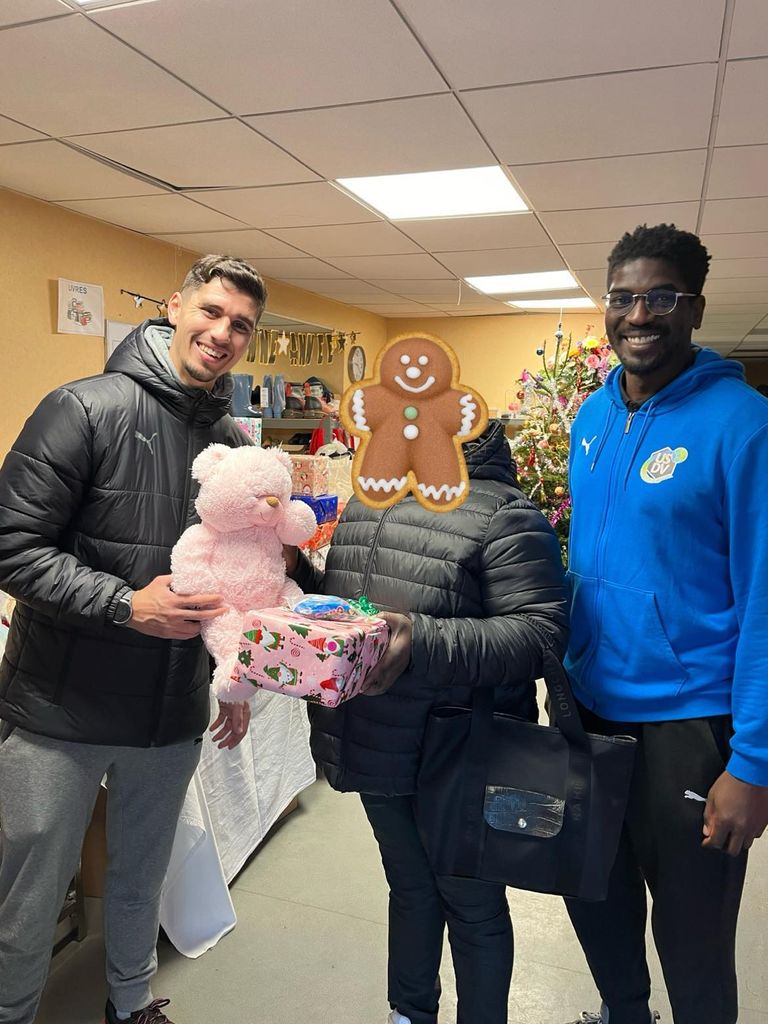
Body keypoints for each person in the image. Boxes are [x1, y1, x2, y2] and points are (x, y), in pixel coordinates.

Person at [0, 255, 267, 1024]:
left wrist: (236, 671)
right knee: (31, 895)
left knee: (141, 879)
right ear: (176, 306)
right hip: (60, 712)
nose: (221, 334)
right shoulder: (83, 408)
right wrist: (124, 604)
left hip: (168, 714)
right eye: (211, 312)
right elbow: (13, 547)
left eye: (240, 325)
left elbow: (234, 575)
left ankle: (130, 1005)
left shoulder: (227, 440)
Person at [285, 417, 569, 1024]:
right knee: (410, 888)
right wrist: (296, 577)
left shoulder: (503, 514)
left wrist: (423, 642)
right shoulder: (368, 500)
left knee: (472, 904)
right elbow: (354, 604)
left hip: (464, 750)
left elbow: (541, 635)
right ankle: (409, 1011)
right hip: (374, 739)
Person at [563, 224, 768, 1024]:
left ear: (695, 308)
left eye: (660, 297)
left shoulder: (744, 424)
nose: (637, 314)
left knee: (693, 940)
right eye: (622, 297)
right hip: (588, 711)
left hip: (691, 725)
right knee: (595, 899)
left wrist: (752, 762)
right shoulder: (592, 416)